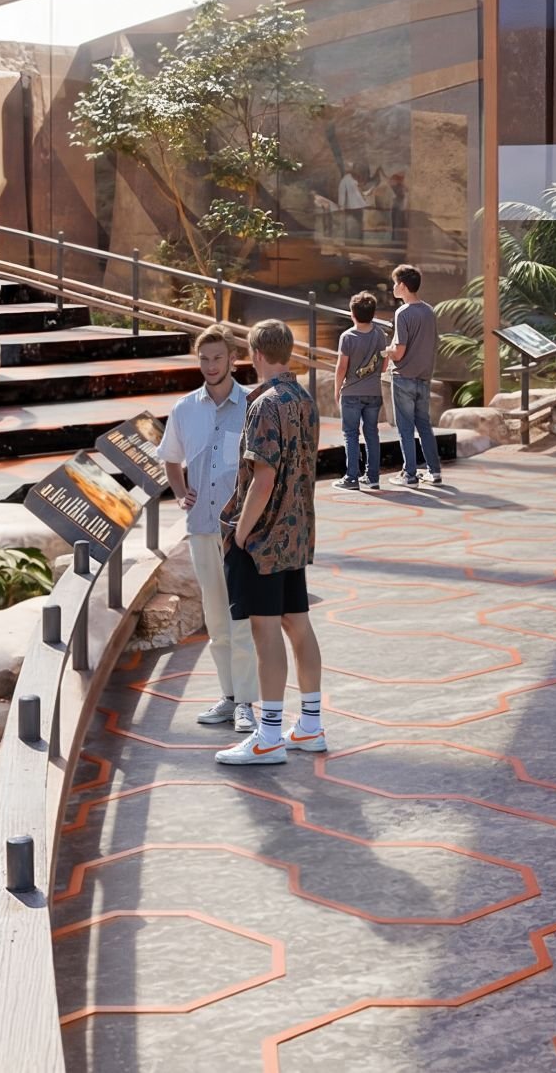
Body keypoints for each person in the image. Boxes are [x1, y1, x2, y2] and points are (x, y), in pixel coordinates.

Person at [216, 318, 328, 768]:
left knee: (265, 632)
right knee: (297, 624)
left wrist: (240, 533)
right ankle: (311, 727)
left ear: (256, 354)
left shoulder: (265, 405)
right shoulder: (305, 400)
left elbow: (263, 478)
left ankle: (268, 737)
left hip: (264, 539)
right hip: (297, 533)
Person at [158, 325, 259, 736]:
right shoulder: (184, 409)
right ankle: (229, 697)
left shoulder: (253, 404)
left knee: (243, 620)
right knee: (216, 620)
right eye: (204, 358)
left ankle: (248, 704)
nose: (210, 366)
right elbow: (170, 459)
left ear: (233, 360)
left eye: (217, 358)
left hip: (242, 531)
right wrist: (183, 494)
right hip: (202, 528)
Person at [383, 263, 443, 488]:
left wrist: (387, 351)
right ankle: (434, 471)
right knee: (424, 425)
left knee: (405, 428)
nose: (393, 288)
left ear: (403, 286)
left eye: (395, 283)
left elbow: (399, 351)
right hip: (423, 376)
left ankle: (409, 474)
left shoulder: (403, 313)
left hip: (403, 376)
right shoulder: (429, 310)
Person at [332, 291, 390, 489]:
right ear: (373, 313)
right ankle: (373, 477)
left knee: (350, 434)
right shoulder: (380, 334)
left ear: (352, 314)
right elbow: (383, 364)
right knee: (372, 433)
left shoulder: (347, 337)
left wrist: (337, 389)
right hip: (374, 392)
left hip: (351, 393)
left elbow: (341, 367)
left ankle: (351, 477)